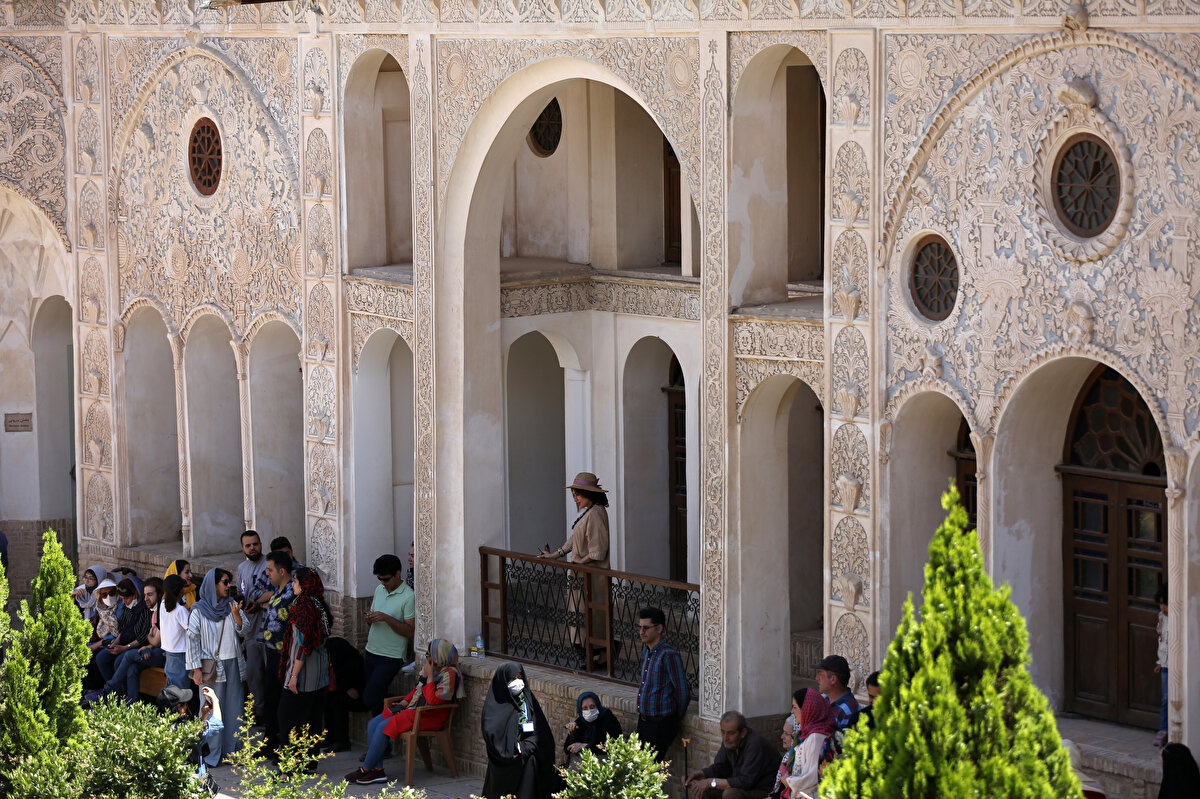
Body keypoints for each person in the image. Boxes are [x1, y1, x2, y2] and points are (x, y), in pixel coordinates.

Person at [344, 638, 461, 785]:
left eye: (430, 655)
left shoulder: (450, 674)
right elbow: (419, 689)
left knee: (382, 727)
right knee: (373, 724)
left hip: (429, 716)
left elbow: (432, 701)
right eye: (427, 655)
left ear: (441, 656)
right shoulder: (436, 669)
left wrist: (430, 676)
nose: (428, 658)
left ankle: (365, 769)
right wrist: (405, 701)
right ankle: (378, 771)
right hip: (416, 711)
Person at [187, 568, 246, 763]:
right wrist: (195, 669)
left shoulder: (232, 606)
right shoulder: (198, 610)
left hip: (233, 665)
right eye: (224, 582)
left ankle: (233, 752)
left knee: (234, 708)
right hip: (210, 669)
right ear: (213, 585)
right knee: (211, 710)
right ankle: (210, 754)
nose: (229, 586)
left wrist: (237, 615)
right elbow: (192, 640)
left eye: (229, 582)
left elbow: (244, 630)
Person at [278, 567, 332, 769]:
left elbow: (303, 644)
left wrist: (293, 676)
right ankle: (309, 764)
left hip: (303, 674)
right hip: (319, 673)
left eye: (296, 581)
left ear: (305, 584)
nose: (292, 584)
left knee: (288, 719)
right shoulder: (319, 604)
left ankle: (289, 768)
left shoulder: (304, 607)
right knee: (312, 720)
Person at [481, 663, 556, 799]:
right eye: (512, 679)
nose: (517, 682)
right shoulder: (496, 705)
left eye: (519, 677)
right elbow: (494, 737)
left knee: (532, 764)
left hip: (527, 755)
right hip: (505, 761)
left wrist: (525, 747)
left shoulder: (528, 700)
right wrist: (512, 748)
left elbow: (542, 732)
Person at [635, 605, 692, 762]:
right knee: (638, 767)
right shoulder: (646, 652)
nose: (641, 632)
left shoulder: (669, 655)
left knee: (648, 769)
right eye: (640, 627)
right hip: (644, 721)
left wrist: (672, 718)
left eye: (646, 628)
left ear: (659, 628)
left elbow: (682, 692)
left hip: (660, 724)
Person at [362, 554, 416, 714]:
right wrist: (370, 618)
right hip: (371, 651)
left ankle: (404, 704)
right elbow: (370, 620)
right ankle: (381, 737)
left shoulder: (408, 596)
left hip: (391, 657)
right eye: (380, 579)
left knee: (370, 697)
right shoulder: (379, 589)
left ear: (397, 574)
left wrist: (386, 618)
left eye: (386, 579)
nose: (382, 583)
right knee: (375, 704)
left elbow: (409, 631)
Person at [683, 710, 779, 799]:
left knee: (730, 794)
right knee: (703, 789)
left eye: (731, 733)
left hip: (764, 790)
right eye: (723, 732)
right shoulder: (729, 742)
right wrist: (701, 774)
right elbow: (720, 768)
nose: (725, 737)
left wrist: (711, 782)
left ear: (743, 733)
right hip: (743, 786)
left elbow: (745, 781)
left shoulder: (755, 745)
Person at [86, 577, 154, 703]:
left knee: (119, 661)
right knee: (101, 657)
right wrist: (115, 644)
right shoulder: (128, 608)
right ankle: (117, 693)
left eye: (126, 598)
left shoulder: (144, 610)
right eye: (122, 599)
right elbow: (123, 629)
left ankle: (113, 691)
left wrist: (124, 647)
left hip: (137, 646)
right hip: (123, 644)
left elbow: (143, 636)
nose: (124, 602)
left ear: (135, 594)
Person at [259, 549, 294, 754]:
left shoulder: (291, 593)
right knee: (271, 700)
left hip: (286, 657)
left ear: (282, 571)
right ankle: (269, 743)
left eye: (270, 570)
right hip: (272, 655)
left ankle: (283, 746)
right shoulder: (277, 592)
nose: (267, 574)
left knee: (283, 704)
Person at [536, 472, 611, 567]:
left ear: (588, 493)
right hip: (583, 574)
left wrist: (581, 561)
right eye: (573, 495)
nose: (575, 499)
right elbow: (575, 539)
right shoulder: (591, 511)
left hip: (591, 576)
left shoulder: (595, 513)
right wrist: (553, 556)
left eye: (578, 495)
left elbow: (598, 550)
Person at [773, 689, 837, 799]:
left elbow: (812, 777)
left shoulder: (816, 737)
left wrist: (789, 781)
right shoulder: (806, 734)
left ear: (807, 710)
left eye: (795, 707)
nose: (792, 711)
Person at [158, 683, 223, 788]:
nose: (187, 706)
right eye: (184, 704)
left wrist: (204, 715)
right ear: (179, 709)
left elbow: (196, 732)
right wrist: (215, 700)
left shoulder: (160, 729)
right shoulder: (187, 732)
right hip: (193, 785)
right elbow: (217, 725)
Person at [236, 530, 271, 721]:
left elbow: (276, 592)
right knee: (253, 673)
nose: (252, 548)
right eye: (248, 545)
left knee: (271, 672)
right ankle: (259, 711)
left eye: (255, 544)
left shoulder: (269, 564)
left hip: (269, 627)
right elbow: (241, 592)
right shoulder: (241, 568)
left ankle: (273, 712)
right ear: (242, 548)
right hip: (250, 629)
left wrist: (258, 604)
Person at [324, 635, 365, 753]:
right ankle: (329, 736)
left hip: (359, 697)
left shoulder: (354, 664)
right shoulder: (338, 663)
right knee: (328, 700)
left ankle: (341, 741)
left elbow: (354, 690)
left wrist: (346, 688)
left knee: (338, 702)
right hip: (342, 693)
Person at [562, 691, 622, 770]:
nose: (589, 710)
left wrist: (584, 746)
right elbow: (568, 749)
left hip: (603, 766)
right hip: (581, 766)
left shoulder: (608, 720)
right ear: (580, 710)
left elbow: (611, 745)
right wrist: (572, 732)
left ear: (598, 706)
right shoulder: (581, 721)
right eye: (585, 708)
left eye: (592, 706)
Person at [812, 655, 859, 742]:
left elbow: (840, 749)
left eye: (820, 674)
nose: (817, 678)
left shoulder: (847, 711)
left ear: (833, 679)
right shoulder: (824, 699)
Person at [158, 575, 192, 690]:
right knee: (180, 693)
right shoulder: (180, 610)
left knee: (172, 690)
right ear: (180, 590)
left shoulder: (163, 605)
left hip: (169, 654)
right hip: (180, 656)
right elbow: (192, 631)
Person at [1155, 583, 1169, 747]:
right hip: (1165, 665)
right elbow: (1162, 641)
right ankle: (1163, 729)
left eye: (1166, 603)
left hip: (1176, 666)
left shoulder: (1179, 619)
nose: (1163, 607)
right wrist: (1160, 662)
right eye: (1161, 603)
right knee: (1165, 698)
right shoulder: (1161, 617)